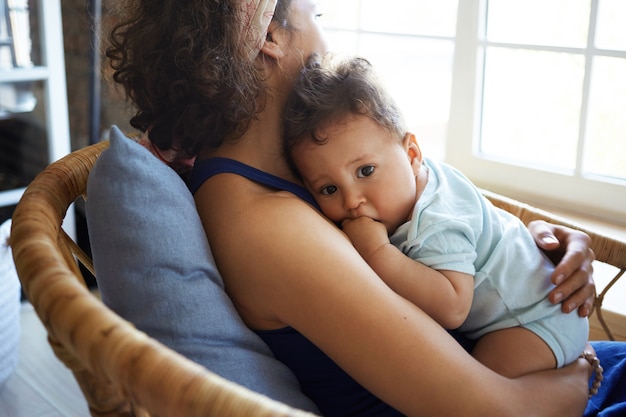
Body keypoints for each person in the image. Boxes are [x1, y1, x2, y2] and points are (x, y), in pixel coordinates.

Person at [105, 1, 625, 416]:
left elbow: (440, 210)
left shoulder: (295, 171)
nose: (325, 38)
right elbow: (491, 409)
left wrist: (535, 241)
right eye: (318, 17)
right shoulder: (268, 225)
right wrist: (585, 368)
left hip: (512, 353)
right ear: (269, 36)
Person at [282, 53, 590, 379]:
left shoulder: (435, 223)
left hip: (536, 319)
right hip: (533, 306)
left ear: (412, 154)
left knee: (477, 386)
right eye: (328, 189)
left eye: (366, 170)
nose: (352, 200)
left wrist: (377, 252)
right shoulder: (417, 183)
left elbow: (454, 307)